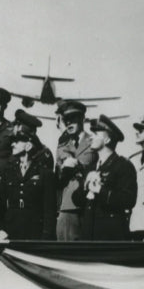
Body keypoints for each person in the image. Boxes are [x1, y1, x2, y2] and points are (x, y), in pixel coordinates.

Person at [72, 115, 138, 241]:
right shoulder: (91, 167)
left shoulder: (123, 166)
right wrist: (85, 186)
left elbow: (129, 200)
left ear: (107, 140)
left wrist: (100, 191)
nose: (91, 137)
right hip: (89, 234)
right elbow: (76, 200)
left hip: (110, 236)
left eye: (96, 134)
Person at [0, 111, 56, 241]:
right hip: (11, 228)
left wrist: (46, 236)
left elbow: (49, 208)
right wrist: (0, 228)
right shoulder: (9, 169)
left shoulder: (43, 166)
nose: (12, 144)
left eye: (17, 140)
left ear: (29, 144)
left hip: (35, 229)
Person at [54, 100, 97, 241]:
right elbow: (57, 178)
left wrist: (78, 165)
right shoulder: (62, 145)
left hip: (90, 205)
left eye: (73, 119)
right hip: (67, 206)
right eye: (66, 120)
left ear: (82, 119)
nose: (68, 123)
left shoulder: (94, 142)